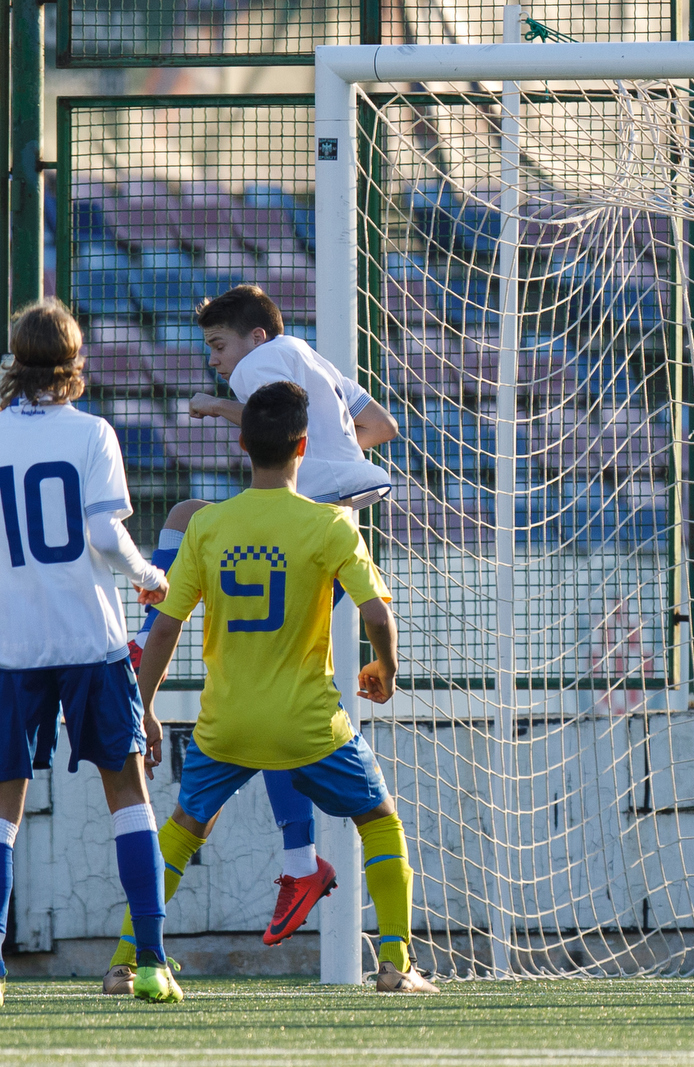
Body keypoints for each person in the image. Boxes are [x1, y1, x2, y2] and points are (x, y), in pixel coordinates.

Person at [113, 285, 398, 980]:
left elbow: (261, 421)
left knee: (186, 518)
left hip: (304, 514)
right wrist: (327, 453)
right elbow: (381, 426)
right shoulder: (318, 360)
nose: (217, 363)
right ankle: (326, 887)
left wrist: (221, 408)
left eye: (219, 346)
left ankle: (130, 957)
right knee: (287, 678)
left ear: (256, 338)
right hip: (339, 511)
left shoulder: (260, 366)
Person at [0, 299, 182, 1003]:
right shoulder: (93, 433)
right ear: (76, 363)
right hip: (89, 639)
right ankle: (152, 962)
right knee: (127, 796)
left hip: (12, 643)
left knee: (4, 813)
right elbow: (107, 539)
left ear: (17, 359)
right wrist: (148, 576)